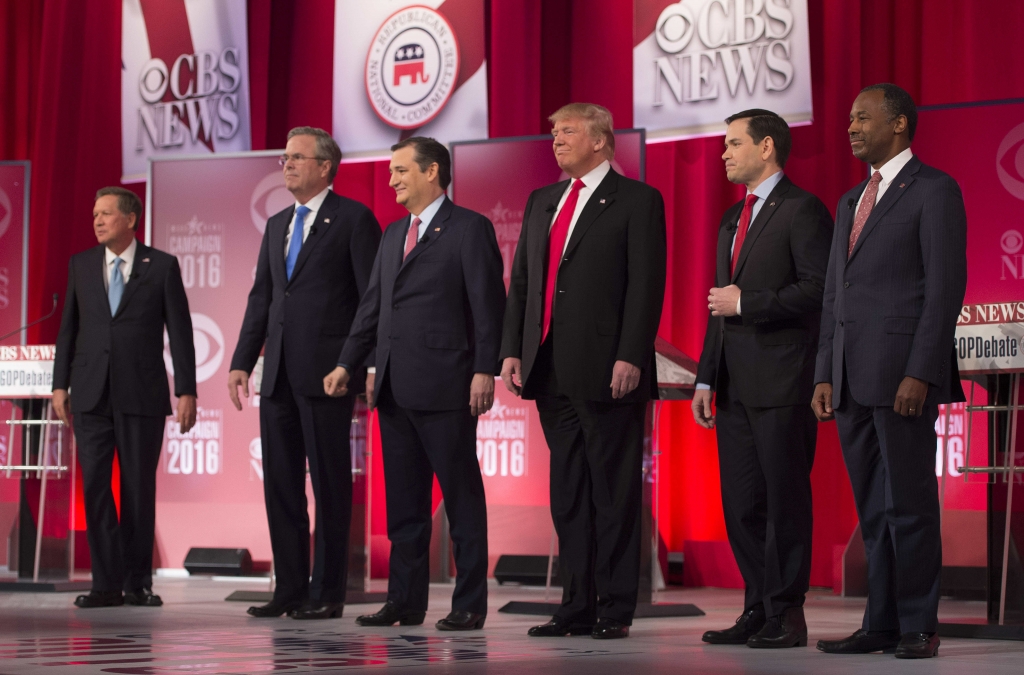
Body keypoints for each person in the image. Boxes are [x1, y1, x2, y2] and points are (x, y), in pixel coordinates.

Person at [499, 103, 667, 640]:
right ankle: (575, 604)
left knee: (612, 491)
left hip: (607, 367)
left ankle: (614, 607)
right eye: (552, 131)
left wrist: (631, 354)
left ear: (600, 141)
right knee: (568, 491)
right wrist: (513, 349)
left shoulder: (637, 200)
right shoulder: (542, 200)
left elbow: (646, 284)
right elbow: (523, 281)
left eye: (567, 131)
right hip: (548, 366)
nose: (555, 139)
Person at [812, 83, 967, 659]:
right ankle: (879, 623)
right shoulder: (851, 201)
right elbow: (835, 294)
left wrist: (921, 371)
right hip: (852, 379)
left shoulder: (934, 191)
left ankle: (918, 625)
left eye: (862, 118)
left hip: (903, 376)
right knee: (873, 512)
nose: (851, 127)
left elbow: (943, 290)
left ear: (899, 124)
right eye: (849, 118)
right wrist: (825, 371)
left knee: (910, 506)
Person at [325, 137, 505, 631]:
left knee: (461, 500)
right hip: (392, 387)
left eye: (401, 170)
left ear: (432, 172)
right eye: (390, 171)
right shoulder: (391, 234)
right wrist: (348, 363)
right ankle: (404, 602)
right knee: (404, 505)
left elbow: (489, 308)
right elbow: (372, 307)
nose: (392, 180)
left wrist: (484, 370)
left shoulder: (469, 228)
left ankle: (468, 603)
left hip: (447, 385)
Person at [228, 127, 381, 620]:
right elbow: (262, 300)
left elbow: (371, 300)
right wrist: (240, 361)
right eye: (285, 157)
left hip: (327, 375)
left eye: (297, 157)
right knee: (281, 485)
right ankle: (289, 588)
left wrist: (357, 363)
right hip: (276, 380)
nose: (288, 164)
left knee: (332, 486)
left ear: (324, 166)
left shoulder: (354, 219)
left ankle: (328, 591)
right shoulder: (277, 224)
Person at [693, 110, 833, 648]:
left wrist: (749, 302)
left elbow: (820, 290)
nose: (724, 154)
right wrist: (706, 378)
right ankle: (758, 606)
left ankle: (787, 613)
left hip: (784, 381)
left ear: (767, 146)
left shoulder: (802, 210)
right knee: (742, 504)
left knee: (785, 501)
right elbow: (716, 307)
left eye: (733, 144)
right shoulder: (732, 218)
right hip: (732, 386)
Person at [53, 186, 196, 608]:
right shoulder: (80, 265)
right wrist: (60, 385)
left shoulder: (162, 266)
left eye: (106, 214)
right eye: (95, 214)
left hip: (142, 394)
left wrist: (186, 389)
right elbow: (68, 331)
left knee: (137, 489)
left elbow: (182, 334)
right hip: (91, 394)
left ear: (130, 219)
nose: (97, 221)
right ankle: (105, 584)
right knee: (95, 487)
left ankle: (138, 583)